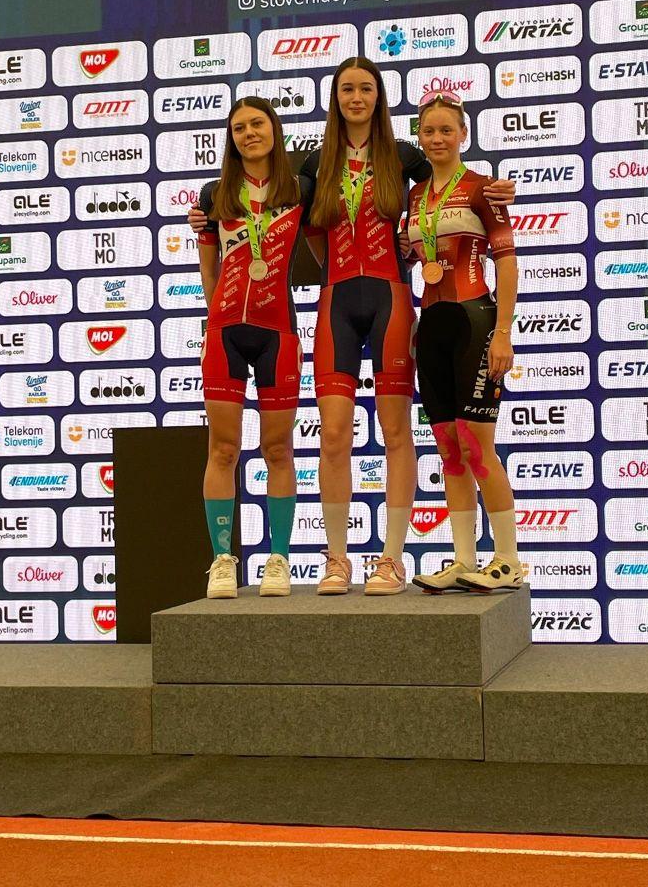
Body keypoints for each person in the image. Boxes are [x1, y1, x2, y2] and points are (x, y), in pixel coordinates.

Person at [190, 59, 515, 596]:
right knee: (335, 434)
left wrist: (496, 191)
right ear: (335, 98)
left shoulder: (404, 155)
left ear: (378, 96)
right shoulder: (313, 164)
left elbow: (447, 181)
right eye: (347, 89)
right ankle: (336, 559)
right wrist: (202, 216)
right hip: (335, 302)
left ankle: (391, 558)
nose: (356, 97)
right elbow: (275, 215)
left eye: (366, 88)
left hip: (392, 299)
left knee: (396, 433)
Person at [405, 89, 524, 593]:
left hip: (476, 321)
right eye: (428, 130)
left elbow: (507, 263)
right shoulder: (414, 197)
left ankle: (509, 560)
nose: (437, 138)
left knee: (477, 446)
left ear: (463, 135)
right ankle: (463, 559)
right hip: (431, 325)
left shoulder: (482, 189)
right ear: (419, 136)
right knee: (449, 448)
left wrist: (504, 333)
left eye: (446, 130)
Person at [198, 97, 309, 600]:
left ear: (274, 129)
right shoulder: (215, 193)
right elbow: (208, 266)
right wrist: (213, 316)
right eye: (239, 128)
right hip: (225, 332)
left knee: (277, 448)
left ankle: (279, 558)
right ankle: (222, 559)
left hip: (278, 331)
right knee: (223, 449)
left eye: (257, 123)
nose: (248, 133)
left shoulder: (300, 189)